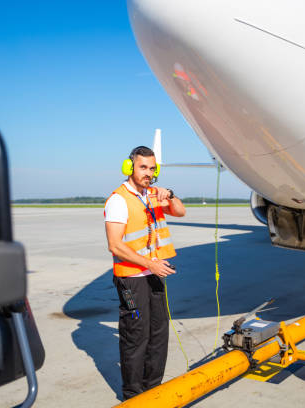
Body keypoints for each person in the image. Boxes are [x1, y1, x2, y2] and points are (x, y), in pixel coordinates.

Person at [104, 146, 186, 400]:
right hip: (131, 279)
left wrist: (169, 194)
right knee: (135, 334)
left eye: (152, 168)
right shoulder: (119, 199)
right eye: (142, 167)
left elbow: (181, 211)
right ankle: (133, 394)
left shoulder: (153, 194)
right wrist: (149, 264)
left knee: (159, 332)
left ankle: (153, 387)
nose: (148, 173)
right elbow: (115, 245)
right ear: (130, 167)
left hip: (154, 274)